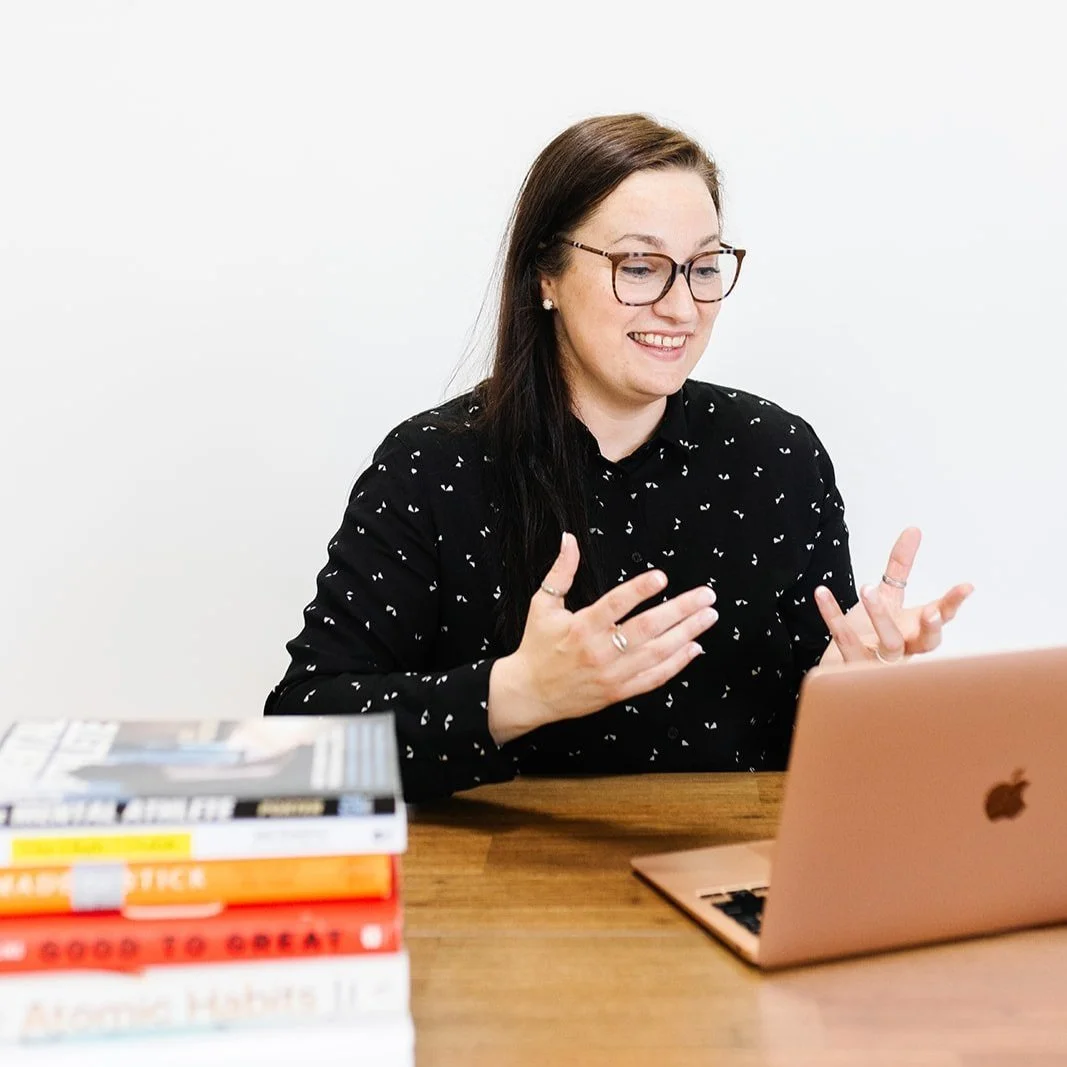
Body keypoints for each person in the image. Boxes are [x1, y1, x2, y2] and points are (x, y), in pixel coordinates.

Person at [265, 114, 973, 803]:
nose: (682, 308)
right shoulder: (432, 465)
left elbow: (806, 762)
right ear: (545, 276)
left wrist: (848, 693)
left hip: (730, 866)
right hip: (500, 876)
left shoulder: (778, 454)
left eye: (703, 267)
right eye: (639, 267)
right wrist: (518, 693)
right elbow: (300, 737)